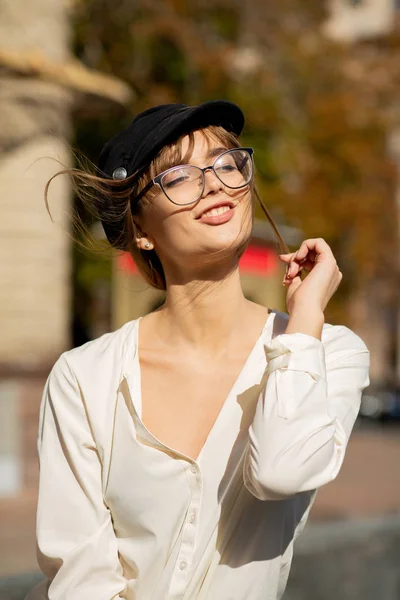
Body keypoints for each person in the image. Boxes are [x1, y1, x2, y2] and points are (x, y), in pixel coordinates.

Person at [26, 100, 370, 600]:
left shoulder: (329, 351)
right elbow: (80, 578)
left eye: (227, 164)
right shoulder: (86, 378)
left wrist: (306, 319)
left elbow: (280, 471)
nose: (214, 182)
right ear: (141, 231)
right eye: (179, 176)